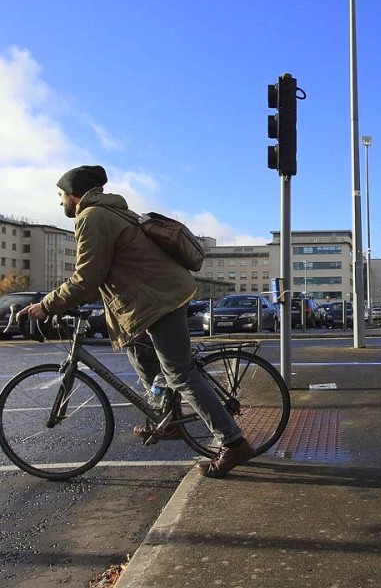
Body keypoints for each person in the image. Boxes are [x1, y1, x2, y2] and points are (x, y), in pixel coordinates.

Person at [17, 165, 254, 479]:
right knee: (137, 349)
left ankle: (233, 441)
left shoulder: (92, 217)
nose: (60, 203)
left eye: (61, 196)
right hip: (150, 299)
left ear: (74, 195)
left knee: (179, 372)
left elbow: (88, 277)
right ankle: (168, 418)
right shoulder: (110, 212)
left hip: (160, 300)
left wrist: (45, 306)